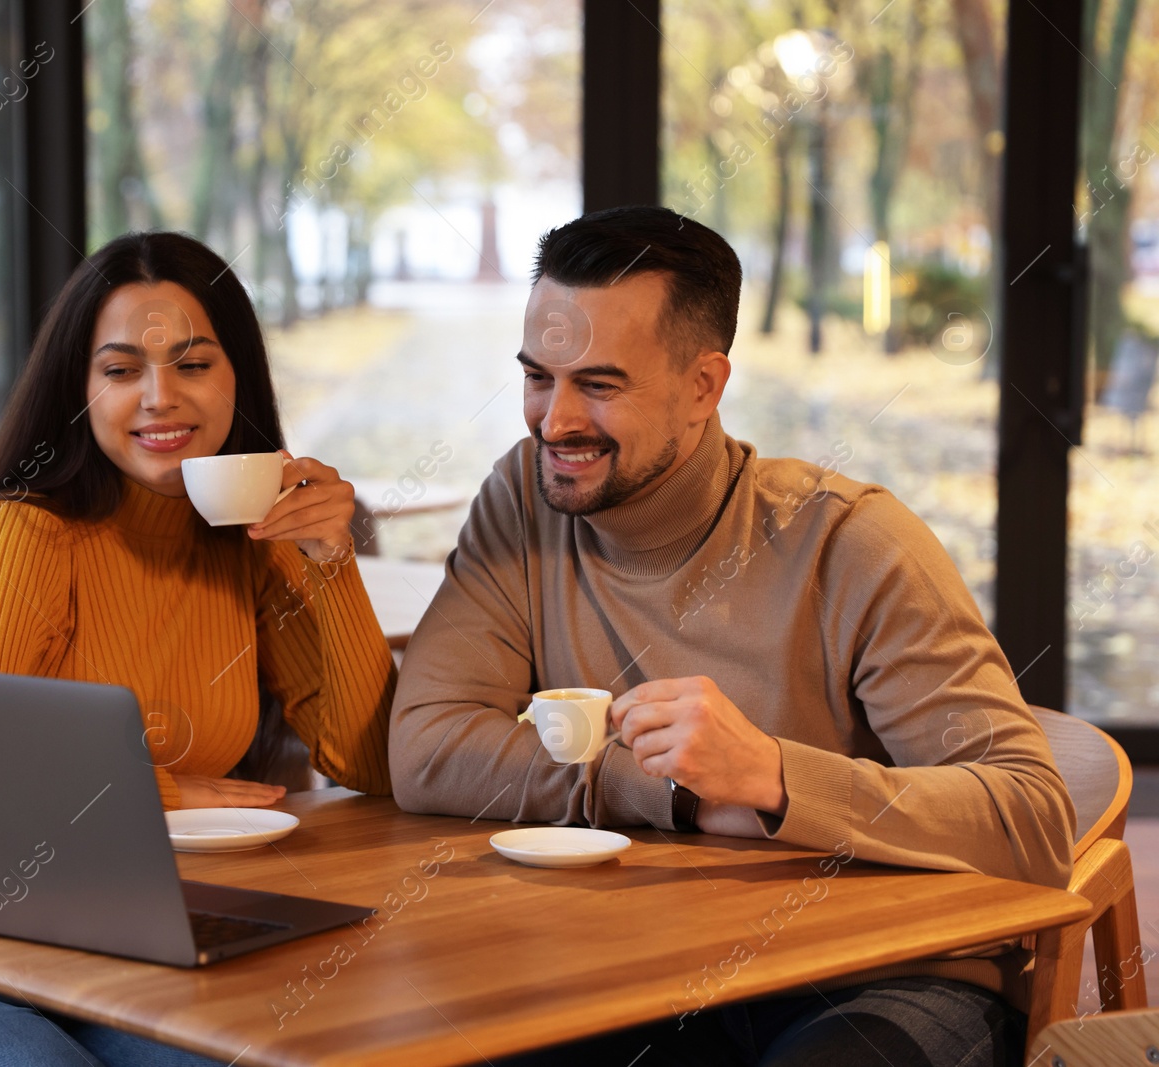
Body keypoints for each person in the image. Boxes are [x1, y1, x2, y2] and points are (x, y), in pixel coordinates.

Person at [389, 205, 1073, 1066]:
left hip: (882, 973)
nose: (552, 421)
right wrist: (674, 791)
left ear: (704, 386)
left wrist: (776, 778)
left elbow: (1033, 819)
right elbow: (426, 748)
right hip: (634, 966)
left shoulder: (849, 541)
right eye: (537, 376)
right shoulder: (522, 503)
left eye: (598, 385)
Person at [0, 230, 395, 1066]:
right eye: (120, 370)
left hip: (147, 946)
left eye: (193, 363)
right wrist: (153, 795)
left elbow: (367, 761)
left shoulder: (253, 538)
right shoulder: (24, 537)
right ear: (79, 391)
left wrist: (330, 562)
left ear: (237, 376)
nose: (159, 397)